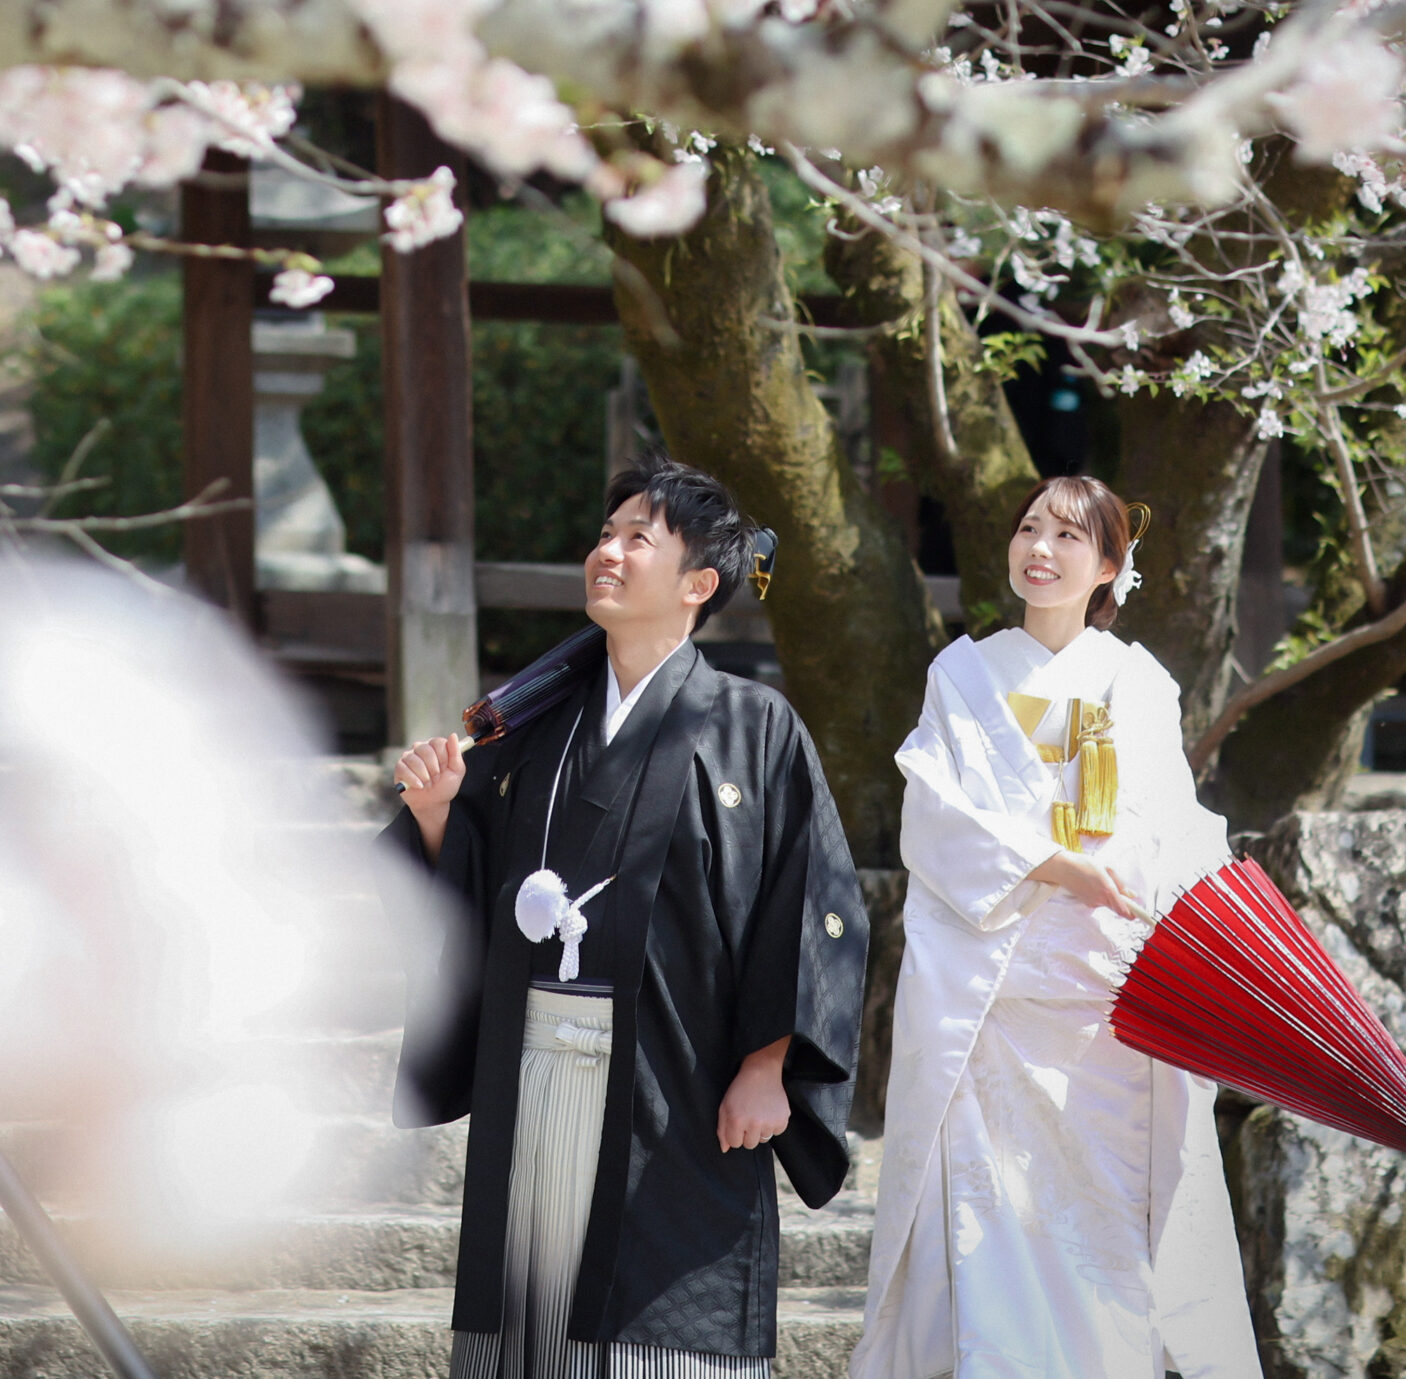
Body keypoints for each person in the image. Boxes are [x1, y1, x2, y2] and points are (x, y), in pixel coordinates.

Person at [381, 454, 869, 1379]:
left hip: (675, 1084)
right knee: (531, 1316)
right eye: (605, 534)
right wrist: (440, 814)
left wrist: (770, 1062)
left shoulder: (751, 725)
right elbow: (470, 889)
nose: (607, 551)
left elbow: (814, 900)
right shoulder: (534, 724)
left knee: (662, 1320)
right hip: (536, 1065)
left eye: (636, 537)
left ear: (699, 583)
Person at [848, 476, 1259, 1379]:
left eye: (1069, 537)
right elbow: (934, 817)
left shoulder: (1138, 681)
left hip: (1104, 1012)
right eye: (1029, 528)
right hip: (991, 1004)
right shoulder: (962, 672)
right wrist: (1057, 862)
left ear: (1110, 566)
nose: (1039, 548)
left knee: (1107, 1234)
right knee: (989, 1230)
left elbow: (1173, 828)